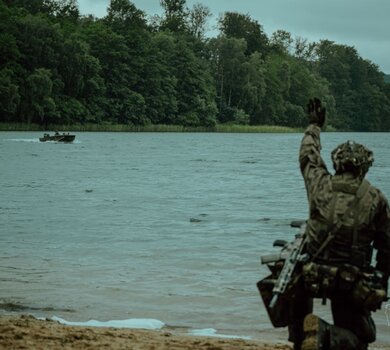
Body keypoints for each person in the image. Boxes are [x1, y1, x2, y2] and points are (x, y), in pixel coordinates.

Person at [289, 98, 390, 350]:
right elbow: (387, 247)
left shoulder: (319, 184)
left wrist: (314, 125)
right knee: (361, 338)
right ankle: (325, 335)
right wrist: (381, 279)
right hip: (350, 280)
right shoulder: (375, 198)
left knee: (301, 323)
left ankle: (306, 336)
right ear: (364, 168)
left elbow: (308, 156)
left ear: (336, 164)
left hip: (311, 273)